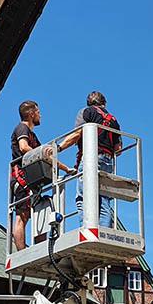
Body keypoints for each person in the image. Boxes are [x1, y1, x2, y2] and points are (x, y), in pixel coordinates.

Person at [10, 100, 73, 251]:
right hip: (22, 177)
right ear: (31, 114)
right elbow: (24, 147)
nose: (40, 115)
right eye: (38, 112)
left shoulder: (33, 135)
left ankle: (39, 249)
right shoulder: (22, 128)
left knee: (38, 212)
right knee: (22, 215)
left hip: (32, 179)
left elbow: (45, 156)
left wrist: (66, 169)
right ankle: (21, 252)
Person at [59, 91, 121, 228]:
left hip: (91, 158)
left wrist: (58, 148)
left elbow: (77, 134)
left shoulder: (86, 112)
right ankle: (104, 229)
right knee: (104, 198)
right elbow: (118, 148)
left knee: (83, 197)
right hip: (108, 161)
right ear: (104, 103)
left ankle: (87, 228)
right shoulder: (114, 120)